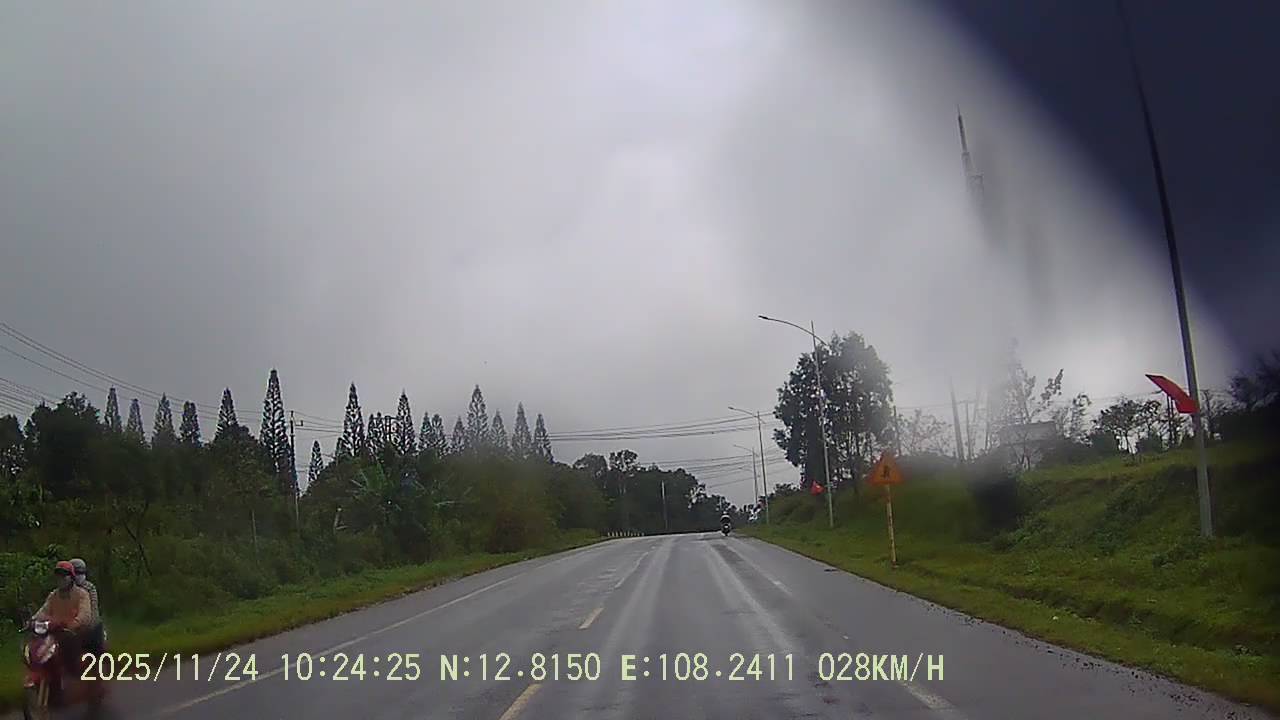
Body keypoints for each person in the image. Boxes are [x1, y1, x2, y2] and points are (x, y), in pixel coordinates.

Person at [32, 561, 92, 673]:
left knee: (71, 656)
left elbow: (85, 616)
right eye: (58, 575)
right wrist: (33, 620)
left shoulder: (82, 594)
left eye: (64, 575)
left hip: (74, 634)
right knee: (36, 647)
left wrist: (71, 624)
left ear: (71, 577)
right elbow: (43, 611)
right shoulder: (54, 595)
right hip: (55, 633)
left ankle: (72, 676)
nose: (61, 578)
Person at [69, 558, 105, 654]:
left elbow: (93, 610)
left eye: (81, 573)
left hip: (89, 628)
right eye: (77, 573)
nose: (79, 576)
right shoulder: (64, 589)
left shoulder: (90, 588)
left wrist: (86, 627)